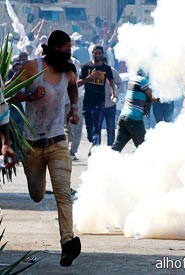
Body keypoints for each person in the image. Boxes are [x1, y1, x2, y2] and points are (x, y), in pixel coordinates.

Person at [7, 30, 81, 266]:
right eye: (65, 51)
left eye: (70, 52)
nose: (68, 57)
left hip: (57, 142)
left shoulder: (68, 72)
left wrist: (74, 108)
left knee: (63, 193)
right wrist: (29, 95)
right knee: (37, 195)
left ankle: (67, 243)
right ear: (53, 49)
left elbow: (72, 87)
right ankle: (65, 239)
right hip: (32, 146)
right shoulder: (32, 67)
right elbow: (6, 93)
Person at [78, 45, 116, 154]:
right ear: (92, 53)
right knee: (90, 130)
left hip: (100, 100)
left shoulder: (106, 68)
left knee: (97, 125)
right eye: (96, 53)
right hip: (88, 101)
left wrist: (113, 93)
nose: (98, 55)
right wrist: (91, 77)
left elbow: (111, 82)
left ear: (102, 54)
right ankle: (93, 141)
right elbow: (78, 83)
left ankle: (95, 148)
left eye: (100, 53)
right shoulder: (86, 67)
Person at [111, 69, 159, 152]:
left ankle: (104, 163)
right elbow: (152, 97)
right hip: (134, 119)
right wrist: (162, 98)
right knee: (144, 148)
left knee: (117, 147)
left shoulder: (132, 79)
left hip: (123, 116)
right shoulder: (142, 80)